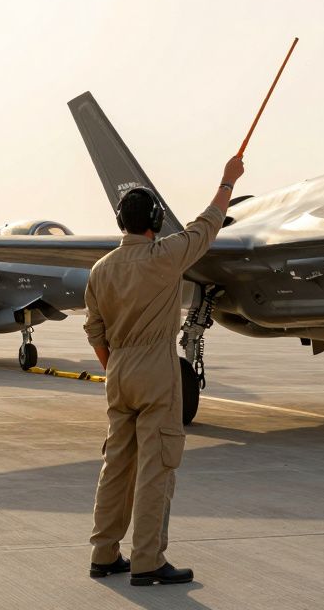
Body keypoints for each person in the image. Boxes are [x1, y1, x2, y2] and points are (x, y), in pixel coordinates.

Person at [84, 155, 245, 586]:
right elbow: (206, 226)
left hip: (117, 373)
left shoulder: (100, 271)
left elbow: (94, 332)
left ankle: (104, 554)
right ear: (154, 220)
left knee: (116, 465)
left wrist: (116, 366)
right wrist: (227, 182)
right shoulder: (166, 256)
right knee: (156, 467)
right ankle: (148, 561)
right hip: (156, 370)